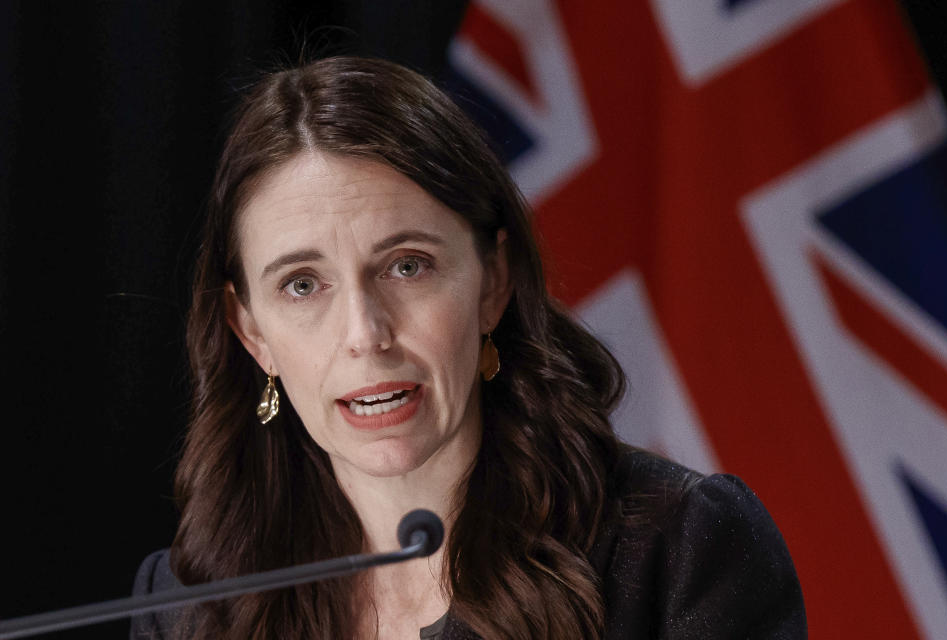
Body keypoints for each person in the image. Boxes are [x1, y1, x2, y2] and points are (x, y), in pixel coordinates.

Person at [131, 56, 806, 640]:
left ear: (493, 282)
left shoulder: (675, 548)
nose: (365, 334)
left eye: (407, 266)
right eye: (303, 285)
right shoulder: (192, 608)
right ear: (251, 332)